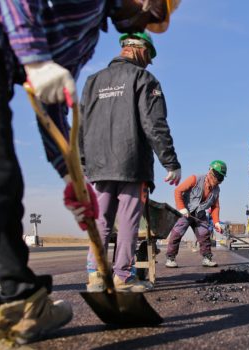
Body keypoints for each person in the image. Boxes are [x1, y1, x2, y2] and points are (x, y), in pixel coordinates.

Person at [0, 0, 179, 348]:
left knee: (5, 184)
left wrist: (70, 176)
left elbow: (51, 102)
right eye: (152, 12)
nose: (144, 20)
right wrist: (35, 59)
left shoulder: (87, 35)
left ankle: (25, 300)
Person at [80, 31, 181, 293]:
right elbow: (154, 124)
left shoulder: (92, 81)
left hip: (98, 166)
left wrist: (83, 162)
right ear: (139, 49)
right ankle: (123, 276)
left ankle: (96, 275)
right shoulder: (143, 78)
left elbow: (81, 125)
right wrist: (170, 162)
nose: (148, 62)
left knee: (100, 219)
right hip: (131, 163)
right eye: (148, 56)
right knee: (127, 221)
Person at [165, 161, 227, 268]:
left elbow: (215, 207)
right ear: (210, 172)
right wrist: (181, 208)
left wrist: (216, 222)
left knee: (204, 234)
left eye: (221, 178)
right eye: (217, 177)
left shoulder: (216, 190)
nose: (218, 181)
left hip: (199, 215)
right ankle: (170, 258)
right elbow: (178, 191)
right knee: (177, 233)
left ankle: (207, 258)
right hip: (185, 212)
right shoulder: (195, 179)